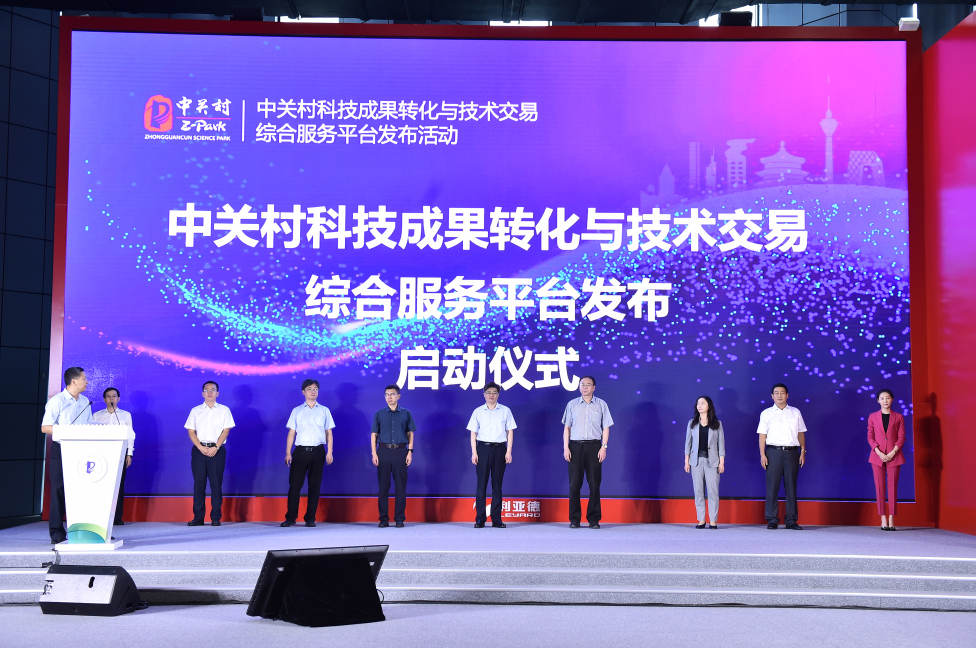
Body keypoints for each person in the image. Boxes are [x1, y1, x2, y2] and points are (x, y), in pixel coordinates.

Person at [40, 366, 93, 543]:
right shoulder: (57, 401)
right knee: (58, 490)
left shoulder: (85, 401)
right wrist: (66, 431)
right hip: (61, 450)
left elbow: (90, 424)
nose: (87, 382)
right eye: (84, 379)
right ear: (74, 381)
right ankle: (57, 532)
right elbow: (45, 427)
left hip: (82, 451)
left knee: (83, 490)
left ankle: (84, 531)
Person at [562, 376, 613, 529]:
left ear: (594, 387)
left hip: (594, 447)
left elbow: (606, 427)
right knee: (574, 485)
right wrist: (566, 447)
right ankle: (574, 519)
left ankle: (594, 519)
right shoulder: (572, 404)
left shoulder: (601, 404)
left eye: (588, 384)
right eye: (582, 384)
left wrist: (604, 447)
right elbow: (567, 428)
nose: (584, 387)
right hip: (575, 447)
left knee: (594, 484)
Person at [281, 379, 334, 527]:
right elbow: (291, 433)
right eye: (310, 389)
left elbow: (329, 433)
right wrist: (288, 453)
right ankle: (290, 518)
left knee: (314, 486)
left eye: (316, 389)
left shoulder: (324, 410)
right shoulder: (297, 410)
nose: (313, 391)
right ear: (303, 392)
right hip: (300, 452)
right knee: (295, 486)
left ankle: (310, 518)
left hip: (318, 451)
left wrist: (329, 452)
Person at [184, 380, 235, 526]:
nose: (210, 392)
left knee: (216, 484)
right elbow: (191, 431)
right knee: (199, 484)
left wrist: (216, 447)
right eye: (207, 390)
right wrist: (200, 447)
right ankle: (198, 517)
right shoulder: (195, 410)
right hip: (199, 450)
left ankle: (215, 517)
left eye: (213, 390)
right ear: (202, 393)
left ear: (217, 393)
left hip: (217, 450)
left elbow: (226, 430)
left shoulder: (224, 410)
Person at [758, 383, 807, 530]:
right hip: (773, 452)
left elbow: (800, 433)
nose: (779, 395)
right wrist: (762, 454)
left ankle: (791, 520)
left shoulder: (795, 412)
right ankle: (772, 519)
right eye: (776, 393)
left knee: (791, 487)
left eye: (782, 393)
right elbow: (762, 436)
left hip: (792, 452)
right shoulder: (766, 413)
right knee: (772, 486)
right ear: (772, 396)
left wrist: (802, 451)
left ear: (787, 395)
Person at [467, 382, 515, 528]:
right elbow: (473, 433)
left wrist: (508, 451)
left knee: (497, 485)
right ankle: (480, 519)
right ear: (484, 394)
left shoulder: (505, 411)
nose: (491, 395)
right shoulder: (478, 411)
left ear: (498, 394)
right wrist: (474, 452)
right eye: (488, 392)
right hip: (482, 449)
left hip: (500, 449)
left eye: (494, 392)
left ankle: (496, 519)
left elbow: (510, 432)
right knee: (481, 485)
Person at [371, 384, 416, 528]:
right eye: (387, 395)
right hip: (383, 452)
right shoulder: (379, 414)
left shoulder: (406, 413)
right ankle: (383, 519)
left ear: (398, 396)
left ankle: (399, 519)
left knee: (400, 487)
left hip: (401, 452)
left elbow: (410, 433)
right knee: (383, 487)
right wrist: (374, 453)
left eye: (392, 394)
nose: (389, 397)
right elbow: (374, 435)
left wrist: (410, 451)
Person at [93, 387, 134, 526]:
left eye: (114, 396)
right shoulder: (97, 416)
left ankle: (117, 517)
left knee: (118, 486)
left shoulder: (125, 415)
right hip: (102, 455)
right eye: (109, 396)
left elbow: (130, 436)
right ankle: (101, 517)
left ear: (118, 399)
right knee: (102, 485)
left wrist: (129, 453)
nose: (111, 399)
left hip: (120, 453)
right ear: (104, 399)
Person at [684, 395, 726, 529]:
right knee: (698, 492)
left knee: (713, 492)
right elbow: (688, 444)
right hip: (696, 462)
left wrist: (721, 462)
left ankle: (713, 521)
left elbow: (721, 445)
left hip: (712, 462)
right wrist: (686, 462)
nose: (699, 405)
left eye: (702, 403)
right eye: (698, 403)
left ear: (709, 406)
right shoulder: (692, 423)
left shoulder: (717, 424)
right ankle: (701, 520)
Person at [867, 388, 905, 531]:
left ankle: (891, 518)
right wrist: (878, 451)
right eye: (882, 398)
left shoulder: (899, 417)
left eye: (887, 398)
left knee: (893, 488)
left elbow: (901, 437)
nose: (885, 401)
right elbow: (870, 437)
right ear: (878, 401)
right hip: (877, 457)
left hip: (894, 456)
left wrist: (893, 451)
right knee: (879, 487)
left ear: (892, 399)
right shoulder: (872, 417)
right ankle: (883, 517)